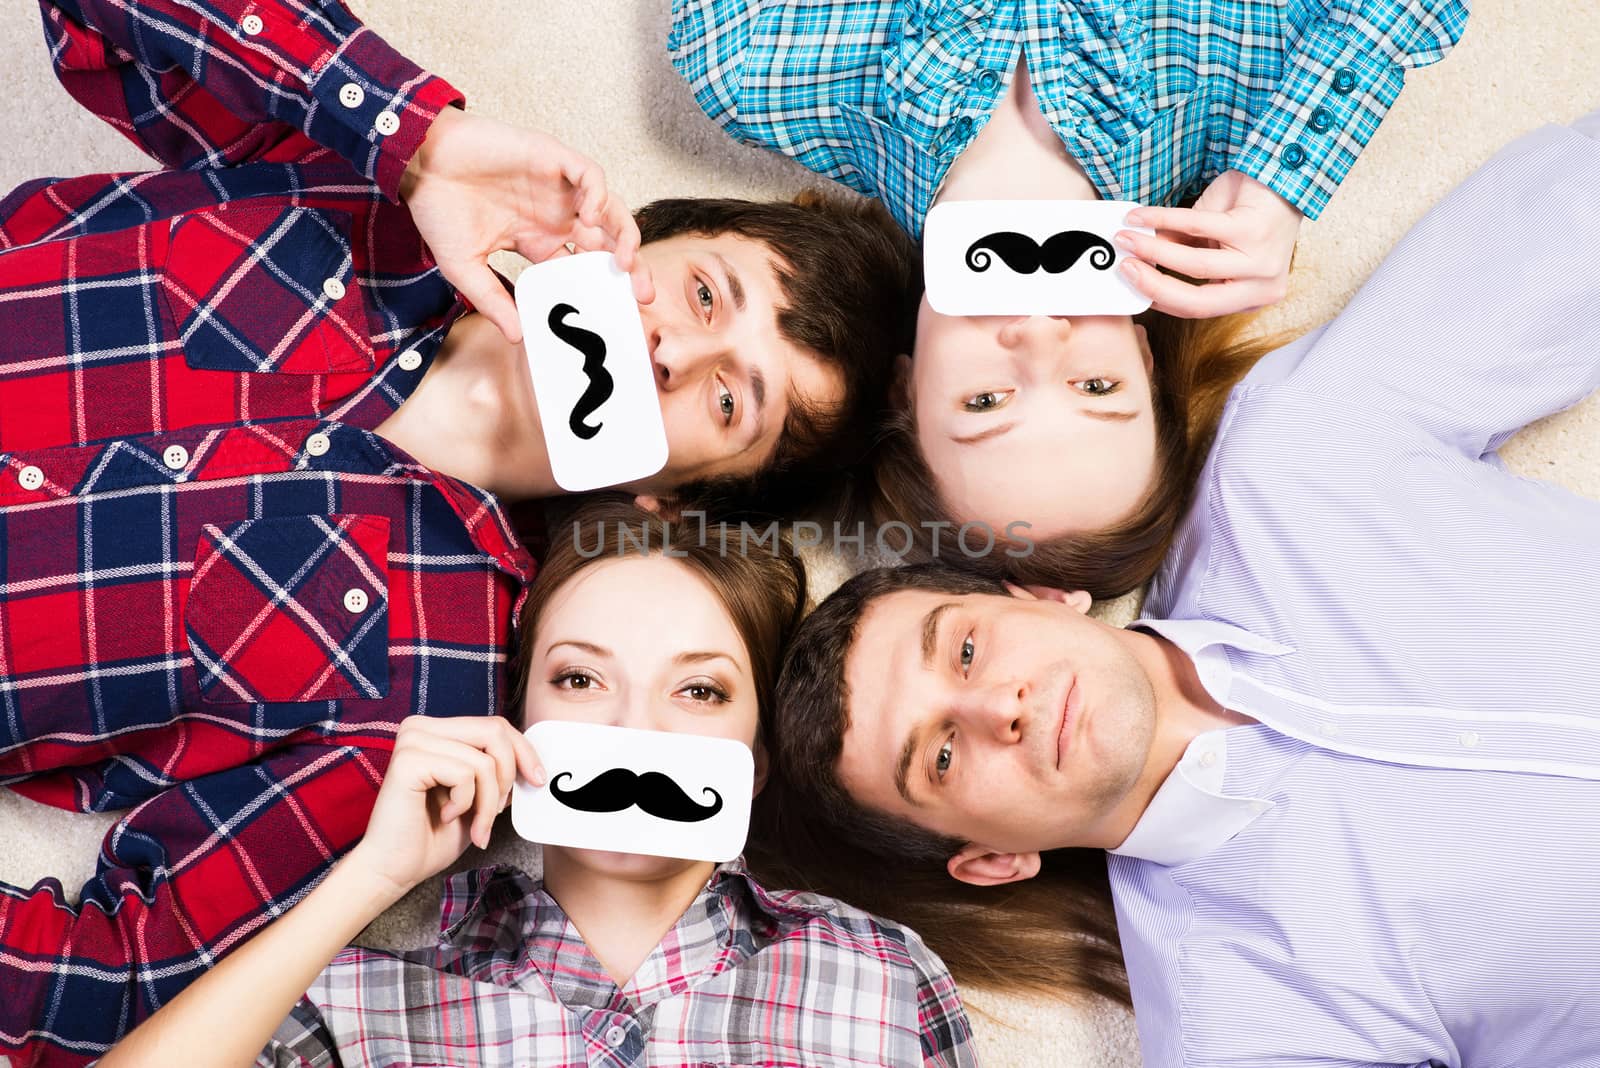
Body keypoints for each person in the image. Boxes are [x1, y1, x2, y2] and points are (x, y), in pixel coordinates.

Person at [0, 2, 915, 1064]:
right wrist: (414, 138)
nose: (674, 353)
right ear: (640, 241)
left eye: (728, 404)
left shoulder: (427, 699)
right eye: (705, 294)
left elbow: (102, 980)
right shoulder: (371, 184)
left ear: (670, 499)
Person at [765, 108, 1600, 1065]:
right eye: (942, 758)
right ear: (992, 864)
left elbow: (1570, 220)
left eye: (963, 649)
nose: (998, 707)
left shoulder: (1290, 466)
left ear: (1037, 597)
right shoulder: (1239, 1023)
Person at [96, 500, 976, 1068]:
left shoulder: (880, 975)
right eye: (581, 681)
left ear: (761, 754)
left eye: (699, 690)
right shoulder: (358, 1003)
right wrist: (371, 879)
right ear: (516, 723)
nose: (635, 731)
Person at [670, 0, 1469, 596]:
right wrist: (1286, 177)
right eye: (1096, 386)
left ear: (905, 388)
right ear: (1143, 353)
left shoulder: (750, 68)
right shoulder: (1260, 101)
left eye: (986, 400)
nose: (1040, 336)